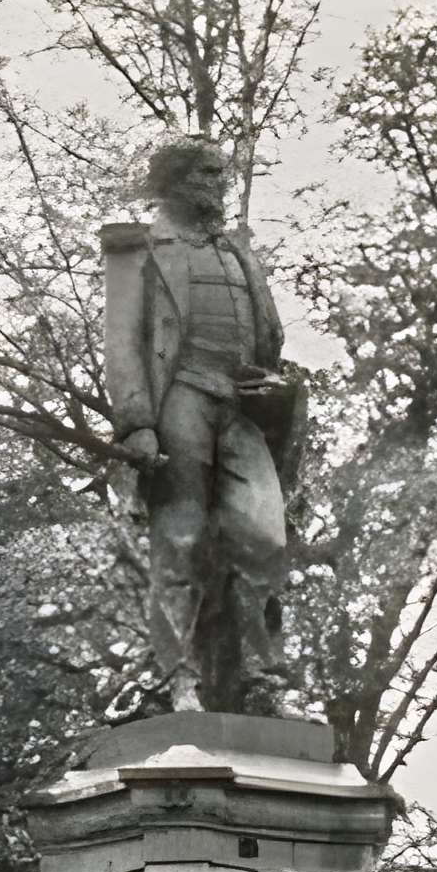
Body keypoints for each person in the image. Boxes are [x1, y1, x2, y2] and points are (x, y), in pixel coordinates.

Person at [98, 134, 300, 715]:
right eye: (207, 173)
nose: (220, 183)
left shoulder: (240, 253)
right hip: (178, 400)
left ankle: (263, 681)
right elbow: (122, 345)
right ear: (175, 181)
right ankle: (178, 680)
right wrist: (137, 424)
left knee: (265, 539)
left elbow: (268, 338)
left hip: (241, 409)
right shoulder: (136, 250)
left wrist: (275, 384)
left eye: (222, 173)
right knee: (180, 542)